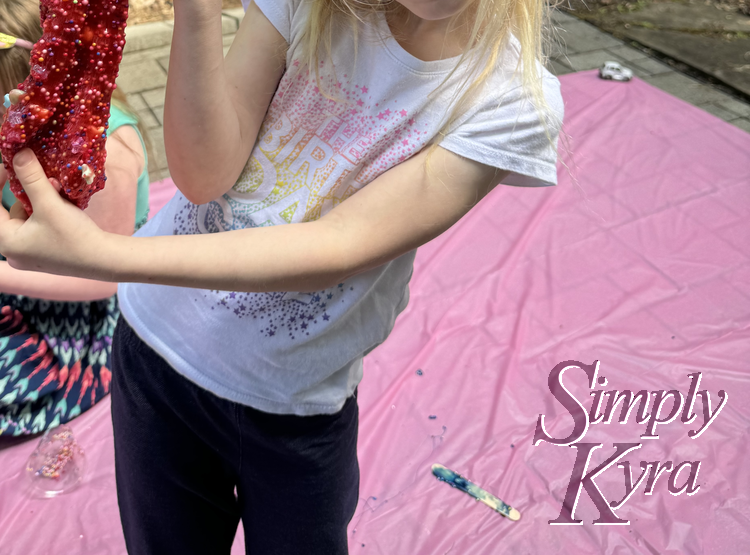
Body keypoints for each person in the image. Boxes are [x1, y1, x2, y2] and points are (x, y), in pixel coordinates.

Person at [0, 0, 564, 552]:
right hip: (153, 354)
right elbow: (203, 176)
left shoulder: (511, 101)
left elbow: (339, 243)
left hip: (290, 405)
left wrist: (101, 254)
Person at [0, 0, 150, 437]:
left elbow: (105, 277)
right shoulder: (16, 116)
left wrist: (4, 277)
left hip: (78, 306)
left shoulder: (108, 161)